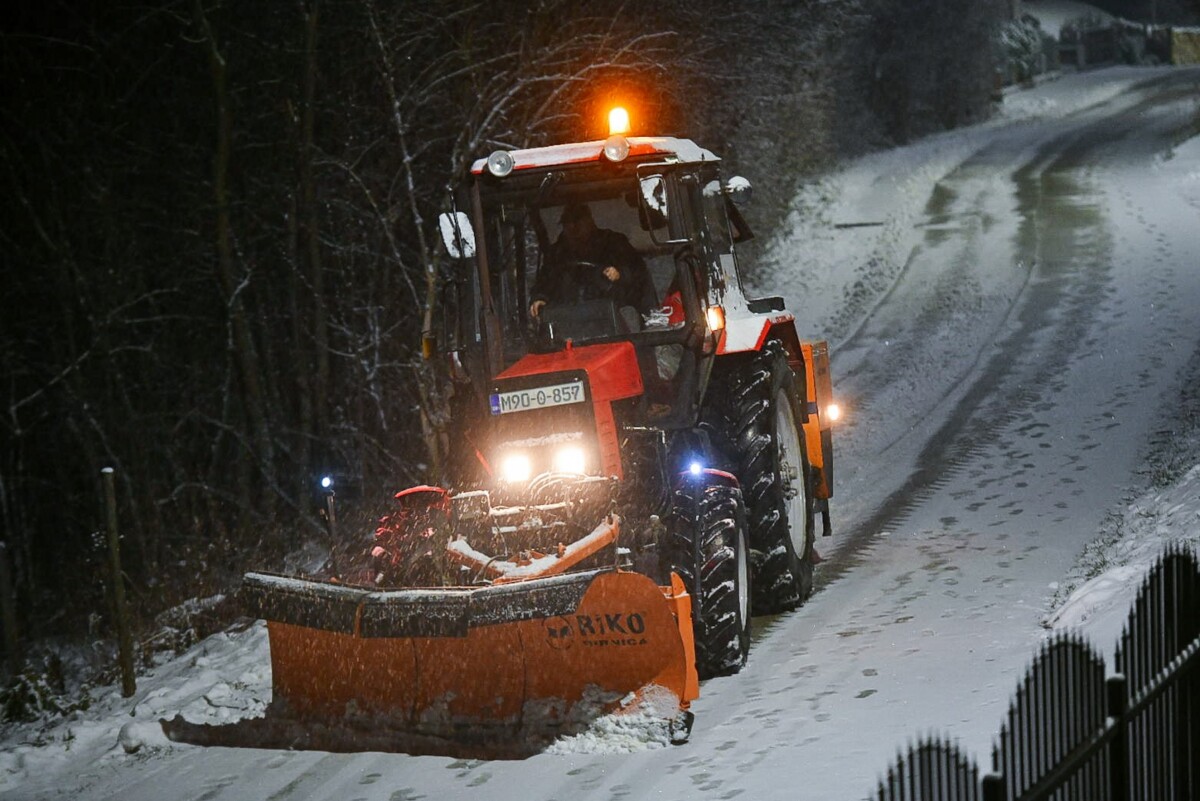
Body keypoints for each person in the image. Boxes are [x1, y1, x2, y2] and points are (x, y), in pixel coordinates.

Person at [529, 203, 654, 327]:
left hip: (614, 318)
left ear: (590, 221)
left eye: (578, 222)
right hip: (568, 323)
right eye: (568, 224)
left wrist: (620, 274)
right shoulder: (556, 254)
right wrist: (540, 298)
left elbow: (639, 273)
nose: (574, 228)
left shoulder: (614, 243)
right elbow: (544, 282)